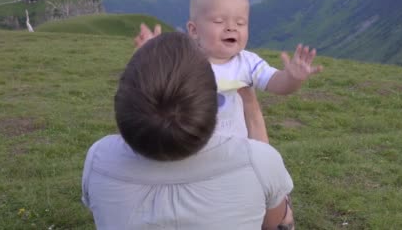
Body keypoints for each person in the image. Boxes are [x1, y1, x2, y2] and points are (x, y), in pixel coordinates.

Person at [82, 32, 295, 229]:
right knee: (283, 214)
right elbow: (272, 223)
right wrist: (252, 110)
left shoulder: (98, 158)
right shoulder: (259, 162)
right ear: (213, 107)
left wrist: (145, 76)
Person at [135, 0, 322, 142]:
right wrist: (149, 55)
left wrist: (292, 78)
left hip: (234, 149)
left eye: (241, 23)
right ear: (194, 30)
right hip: (187, 147)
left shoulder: (248, 63)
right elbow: (153, 84)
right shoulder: (182, 58)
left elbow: (278, 85)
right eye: (219, 21)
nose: (231, 27)